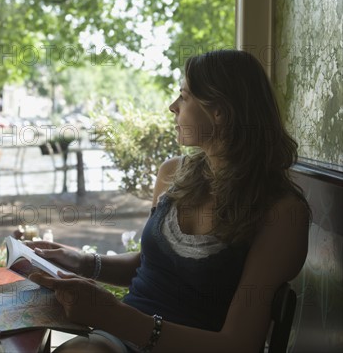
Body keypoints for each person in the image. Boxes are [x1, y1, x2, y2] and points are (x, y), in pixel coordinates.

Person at [27, 49, 311, 353]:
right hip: (119, 339)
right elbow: (151, 264)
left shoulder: (281, 212)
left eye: (184, 97)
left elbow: (239, 344)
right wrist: (84, 263)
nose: (172, 106)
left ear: (220, 111)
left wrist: (114, 315)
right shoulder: (173, 173)